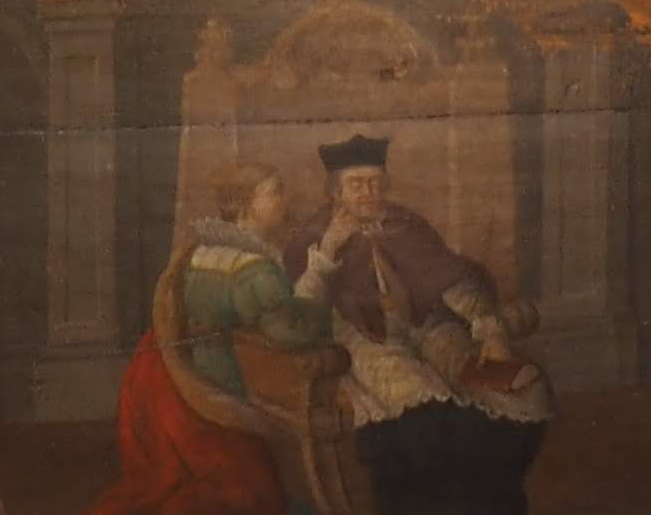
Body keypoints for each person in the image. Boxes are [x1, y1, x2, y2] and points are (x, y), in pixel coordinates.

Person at [307, 135, 551, 514]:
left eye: (375, 182)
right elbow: (304, 310)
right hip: (366, 338)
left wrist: (490, 329)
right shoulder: (315, 236)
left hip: (430, 327)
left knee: (520, 387)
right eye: (356, 185)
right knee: (425, 406)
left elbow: (453, 281)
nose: (369, 192)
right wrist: (327, 251)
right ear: (335, 192)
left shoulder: (407, 225)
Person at [88, 163, 331, 515]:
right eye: (274, 192)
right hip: (196, 394)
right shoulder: (251, 267)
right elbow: (292, 333)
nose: (284, 200)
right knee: (243, 492)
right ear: (245, 205)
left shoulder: (202, 249)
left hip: (157, 377)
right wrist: (320, 274)